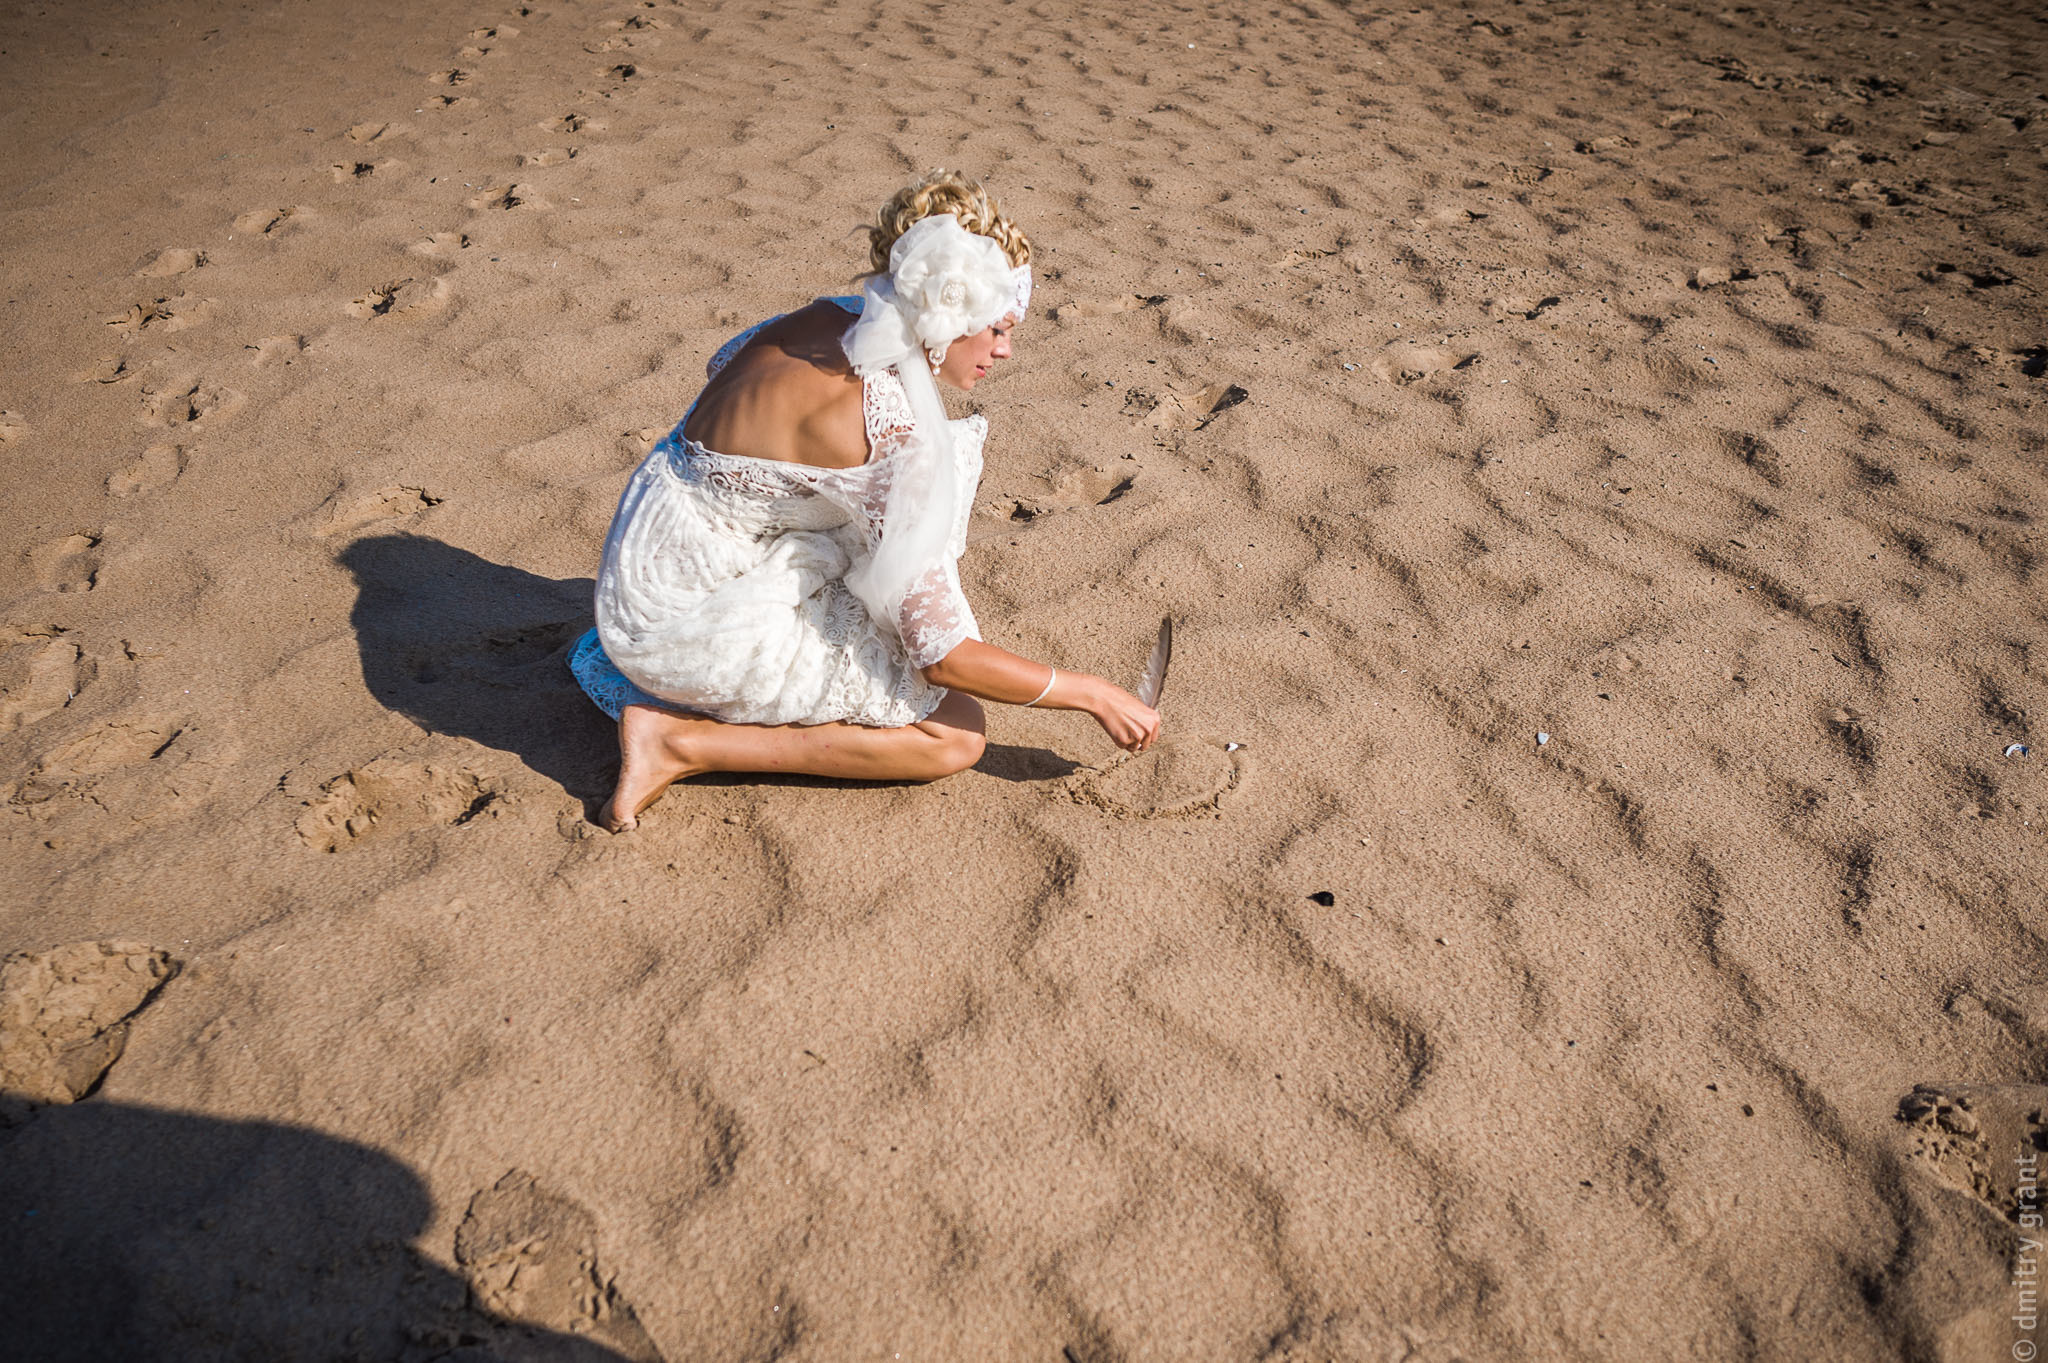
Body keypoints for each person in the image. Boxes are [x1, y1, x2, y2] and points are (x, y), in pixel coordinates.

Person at [568, 170, 1162, 830]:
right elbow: (944, 656)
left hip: (651, 549)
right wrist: (1092, 694)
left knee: (875, 546)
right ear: (948, 317)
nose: (1005, 350)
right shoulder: (888, 434)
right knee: (955, 732)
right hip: (684, 619)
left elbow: (721, 364)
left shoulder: (831, 316)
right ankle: (680, 743)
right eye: (996, 329)